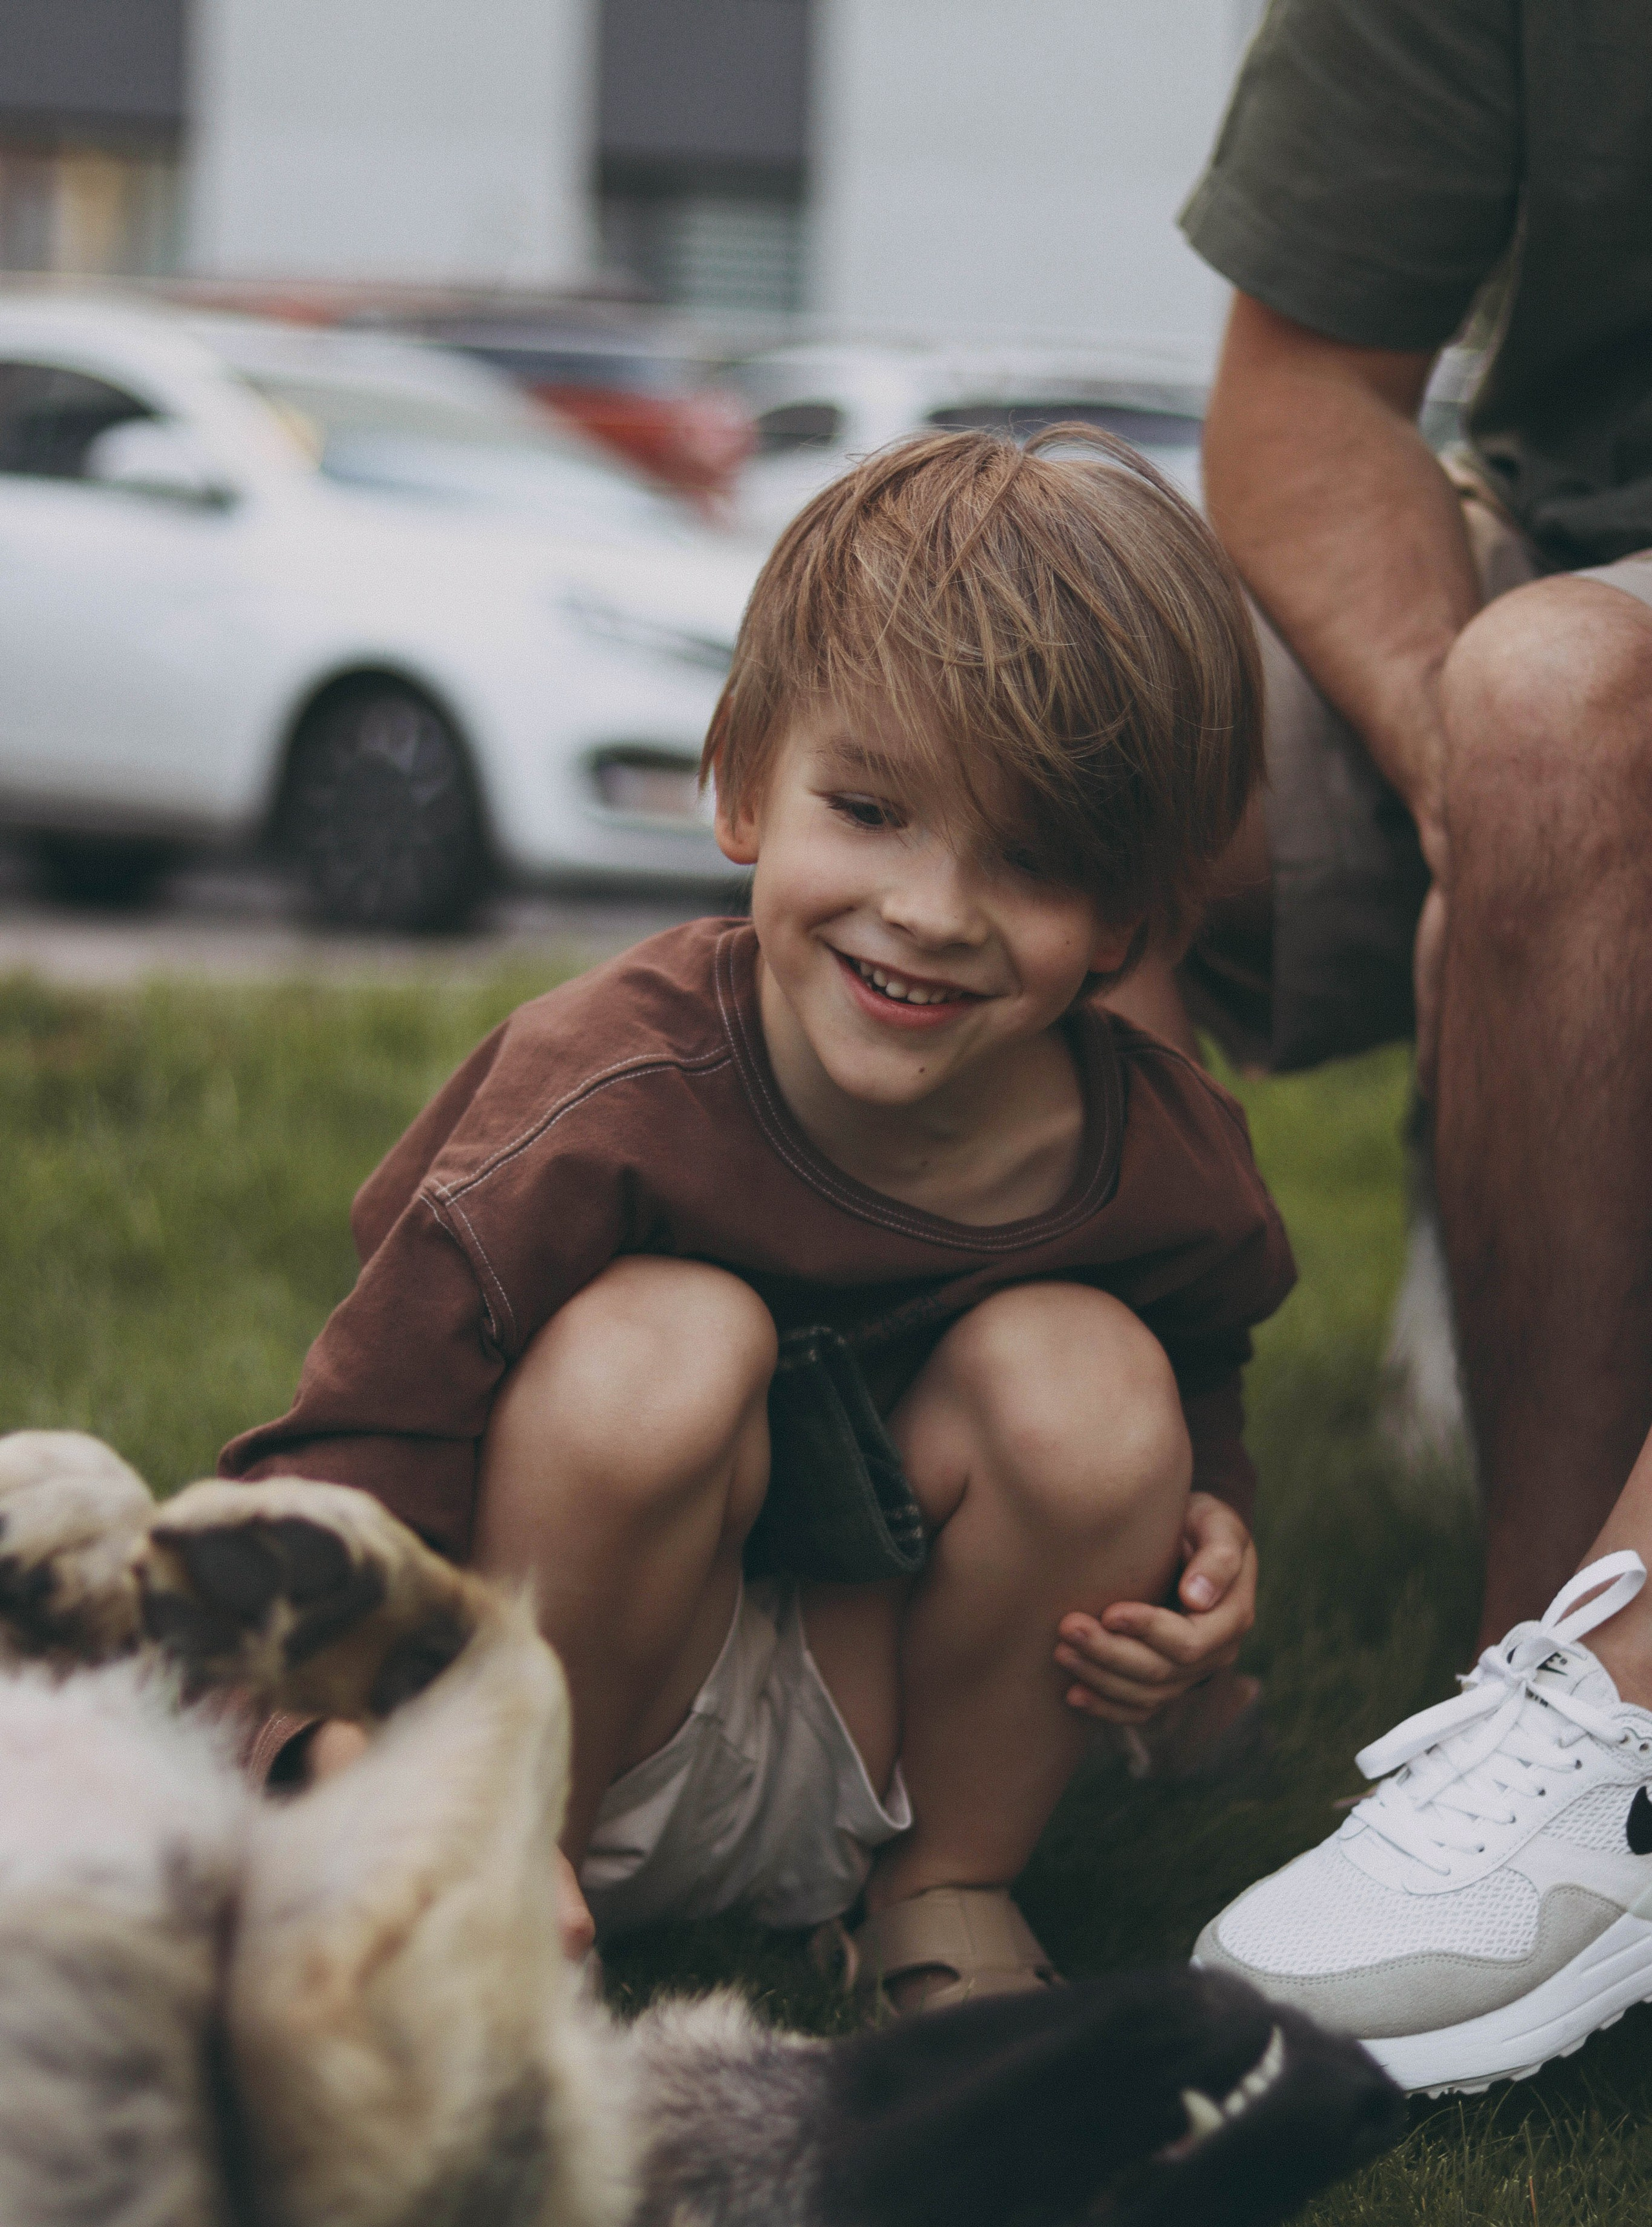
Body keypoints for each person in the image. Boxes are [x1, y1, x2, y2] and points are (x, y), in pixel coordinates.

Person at [222, 428, 1294, 2011]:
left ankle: (941, 1899)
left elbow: (1198, 1368)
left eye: (1029, 859)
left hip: (887, 1744)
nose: (928, 909)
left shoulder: (1162, 1157)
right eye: (868, 809)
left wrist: (1208, 1553)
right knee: (663, 1342)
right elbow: (348, 1455)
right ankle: (511, 1890)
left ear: (1129, 918)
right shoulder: (599, 1091)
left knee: (1094, 1375)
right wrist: (319, 1750)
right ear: (738, 783)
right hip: (584, 1703)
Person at [1136, 0, 1652, 2085]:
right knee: (1050, 727)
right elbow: (1303, 395)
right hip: (1566, 548)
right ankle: (1051, 1591)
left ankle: (1589, 1747)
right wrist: (1483, 803)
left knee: (1555, 708)